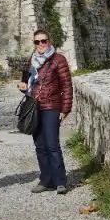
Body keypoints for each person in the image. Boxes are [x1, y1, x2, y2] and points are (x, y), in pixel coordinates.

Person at [18, 29, 73, 194]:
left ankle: (60, 181)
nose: (41, 44)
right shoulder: (31, 60)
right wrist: (22, 87)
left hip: (51, 107)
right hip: (34, 107)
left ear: (49, 41)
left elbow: (67, 86)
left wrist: (65, 109)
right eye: (37, 42)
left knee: (52, 144)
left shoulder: (58, 60)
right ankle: (46, 180)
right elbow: (25, 83)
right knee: (40, 146)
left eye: (44, 41)